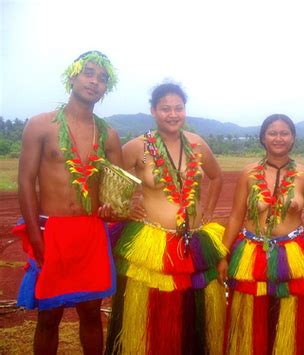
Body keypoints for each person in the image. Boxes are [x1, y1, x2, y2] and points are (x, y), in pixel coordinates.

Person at [13, 51, 122, 354]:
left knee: (91, 313)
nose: (94, 81)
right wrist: (35, 234)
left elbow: (117, 191)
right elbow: (25, 181)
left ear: (106, 88)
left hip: (91, 233)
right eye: (88, 73)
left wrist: (112, 208)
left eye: (102, 78)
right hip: (52, 230)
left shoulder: (109, 135)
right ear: (72, 76)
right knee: (49, 315)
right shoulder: (40, 125)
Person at [105, 82, 227, 354]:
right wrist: (124, 209)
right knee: (151, 311)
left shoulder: (197, 144)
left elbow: (216, 176)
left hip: (193, 241)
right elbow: (109, 181)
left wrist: (208, 210)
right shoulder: (138, 147)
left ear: (185, 110)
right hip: (152, 242)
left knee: (192, 312)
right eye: (165, 109)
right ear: (153, 111)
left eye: (178, 108)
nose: (173, 114)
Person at [217, 114, 304, 355]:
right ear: (263, 138)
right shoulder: (248, 174)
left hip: (294, 255)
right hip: (251, 254)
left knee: (290, 320)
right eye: (272, 133)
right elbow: (236, 216)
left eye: (284, 133)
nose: (279, 138)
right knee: (250, 318)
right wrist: (223, 255)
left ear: (293, 138)